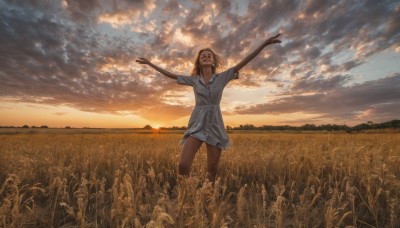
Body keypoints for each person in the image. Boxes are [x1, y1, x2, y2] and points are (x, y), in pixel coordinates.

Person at [136, 33, 281, 183]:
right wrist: (150, 63)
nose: (206, 56)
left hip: (215, 124)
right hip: (197, 124)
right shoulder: (194, 80)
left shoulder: (223, 77)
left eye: (209, 55)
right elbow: (171, 75)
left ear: (213, 62)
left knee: (212, 169)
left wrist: (263, 45)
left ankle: (208, 199)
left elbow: (244, 61)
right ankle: (184, 196)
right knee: (183, 165)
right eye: (203, 55)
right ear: (199, 62)